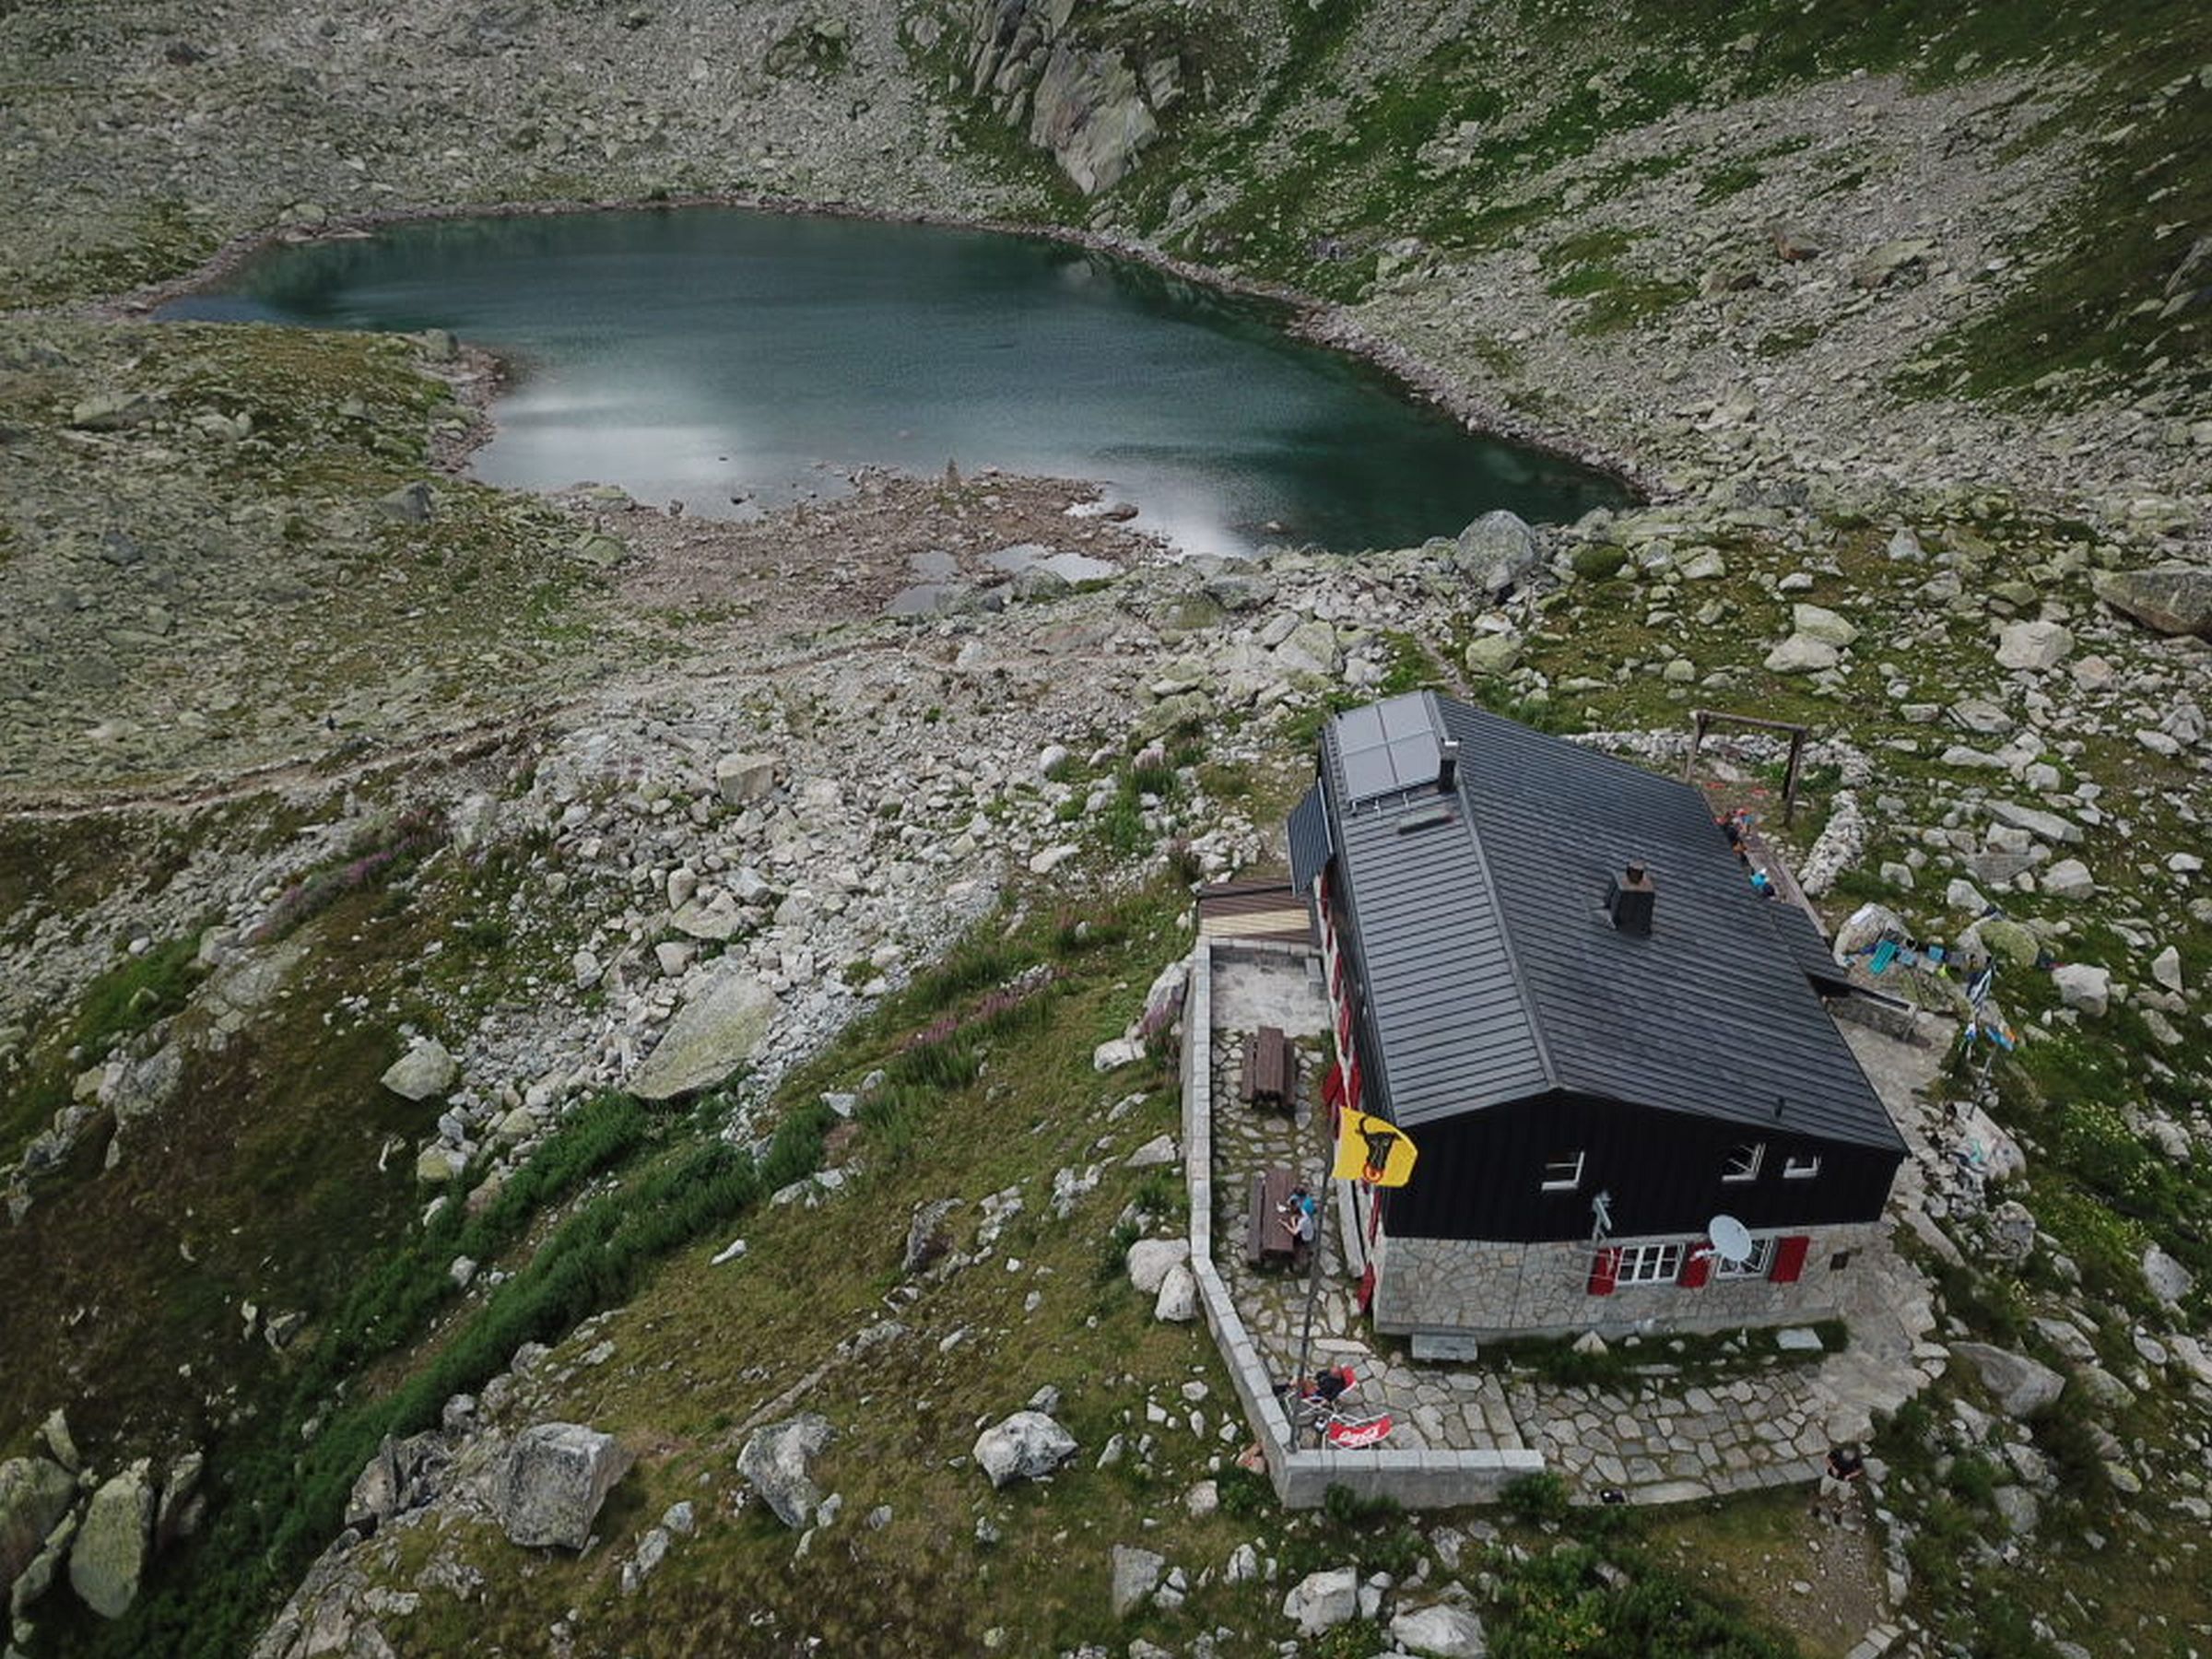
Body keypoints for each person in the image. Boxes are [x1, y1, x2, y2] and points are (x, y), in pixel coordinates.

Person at [1812, 1444, 1865, 1523]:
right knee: (1823, 1494)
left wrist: (1849, 1475)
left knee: (1843, 1499)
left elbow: (1859, 1470)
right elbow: (1827, 1459)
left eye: (1849, 1457)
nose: (1847, 1457)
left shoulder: (1857, 1457)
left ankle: (1838, 1513)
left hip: (1845, 1481)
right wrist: (1833, 1468)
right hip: (1831, 1476)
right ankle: (1817, 1508)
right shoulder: (1837, 1451)